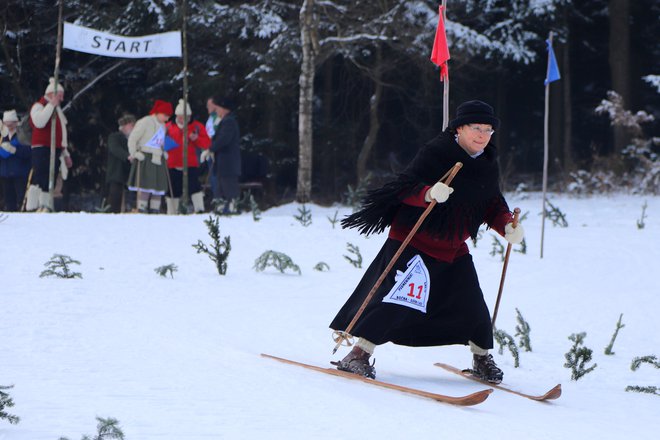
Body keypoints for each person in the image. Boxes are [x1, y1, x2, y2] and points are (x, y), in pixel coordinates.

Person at [330, 100, 525, 384]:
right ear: (459, 128)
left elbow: (491, 202)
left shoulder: (487, 162)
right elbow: (404, 187)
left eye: (488, 130)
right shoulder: (437, 152)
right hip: (415, 240)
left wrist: (506, 224)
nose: (482, 135)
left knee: (472, 305)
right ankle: (357, 355)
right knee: (397, 302)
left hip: (453, 247)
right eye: (476, 128)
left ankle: (481, 357)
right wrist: (427, 194)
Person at [27, 78, 73, 212]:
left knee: (49, 179)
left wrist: (66, 154)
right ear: (52, 94)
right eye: (60, 95)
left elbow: (61, 135)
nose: (62, 99)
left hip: (55, 149)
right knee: (40, 178)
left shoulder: (57, 110)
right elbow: (39, 122)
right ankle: (34, 206)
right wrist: (51, 105)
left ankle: (45, 205)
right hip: (41, 148)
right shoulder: (39, 105)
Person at [164, 99, 211, 214]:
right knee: (173, 189)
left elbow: (207, 143)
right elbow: (157, 142)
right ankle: (172, 212)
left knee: (195, 187)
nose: (184, 119)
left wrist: (196, 139)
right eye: (182, 117)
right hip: (172, 164)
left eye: (187, 117)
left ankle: (199, 210)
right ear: (177, 116)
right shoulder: (168, 127)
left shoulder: (197, 127)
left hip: (191, 164)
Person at [126, 100, 172, 213]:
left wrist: (163, 152)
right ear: (159, 112)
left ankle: (155, 209)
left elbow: (160, 143)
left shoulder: (163, 126)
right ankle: (142, 207)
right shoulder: (145, 122)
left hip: (158, 158)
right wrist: (134, 153)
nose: (167, 119)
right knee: (145, 185)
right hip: (145, 157)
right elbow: (132, 139)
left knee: (158, 187)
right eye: (165, 115)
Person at [207, 95, 241, 214]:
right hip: (224, 163)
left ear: (225, 109)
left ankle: (233, 209)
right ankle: (222, 209)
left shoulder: (229, 121)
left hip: (228, 163)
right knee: (222, 187)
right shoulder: (226, 121)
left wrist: (210, 148)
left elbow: (223, 140)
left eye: (218, 108)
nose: (216, 110)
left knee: (229, 187)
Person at [0, 110, 31, 211]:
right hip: (5, 174)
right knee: (9, 201)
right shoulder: (2, 137)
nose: (9, 125)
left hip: (20, 174)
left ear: (16, 123)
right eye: (6, 123)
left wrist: (15, 150)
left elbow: (28, 153)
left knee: (21, 199)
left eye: (11, 123)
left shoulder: (22, 136)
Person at [105, 114, 135, 213]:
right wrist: (127, 156)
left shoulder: (133, 140)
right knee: (115, 197)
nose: (133, 127)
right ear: (124, 126)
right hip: (116, 172)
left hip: (128, 173)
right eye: (131, 125)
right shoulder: (114, 137)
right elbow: (115, 149)